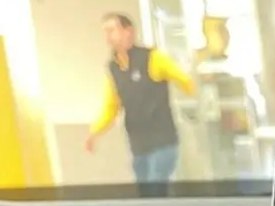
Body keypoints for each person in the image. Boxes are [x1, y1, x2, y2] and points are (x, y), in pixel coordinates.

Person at [84, 13, 195, 187]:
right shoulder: (113, 69)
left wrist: (195, 101)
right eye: (105, 32)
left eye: (112, 30)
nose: (108, 36)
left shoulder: (152, 58)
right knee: (145, 192)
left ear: (128, 32)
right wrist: (94, 133)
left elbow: (184, 80)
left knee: (155, 189)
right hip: (139, 146)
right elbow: (111, 107)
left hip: (163, 141)